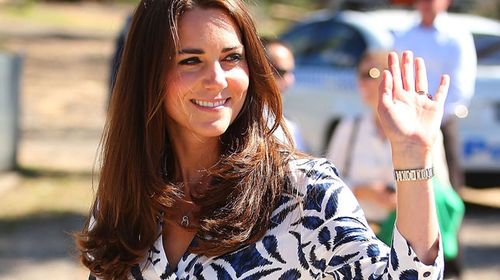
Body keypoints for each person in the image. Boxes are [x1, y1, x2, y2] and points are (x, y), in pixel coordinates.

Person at [75, 0, 448, 279]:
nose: (218, 80)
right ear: (149, 74)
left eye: (231, 58)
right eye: (191, 61)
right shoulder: (124, 197)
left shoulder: (304, 192)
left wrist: (412, 156)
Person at [326, 50, 450, 230]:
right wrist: (364, 191)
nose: (361, 82)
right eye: (359, 74)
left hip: (407, 233)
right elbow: (329, 182)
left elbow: (440, 188)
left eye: (370, 74)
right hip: (356, 233)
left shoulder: (421, 130)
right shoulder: (350, 127)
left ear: (393, 79)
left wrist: (403, 195)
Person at [393, 0, 477, 192]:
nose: (425, 3)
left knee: (447, 183)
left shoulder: (456, 35)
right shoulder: (405, 35)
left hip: (443, 120)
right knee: (410, 179)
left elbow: (460, 85)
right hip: (409, 121)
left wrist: (433, 118)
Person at [262, 38, 309, 152]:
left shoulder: (289, 127)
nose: (289, 80)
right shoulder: (231, 122)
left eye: (291, 72)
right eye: (280, 72)